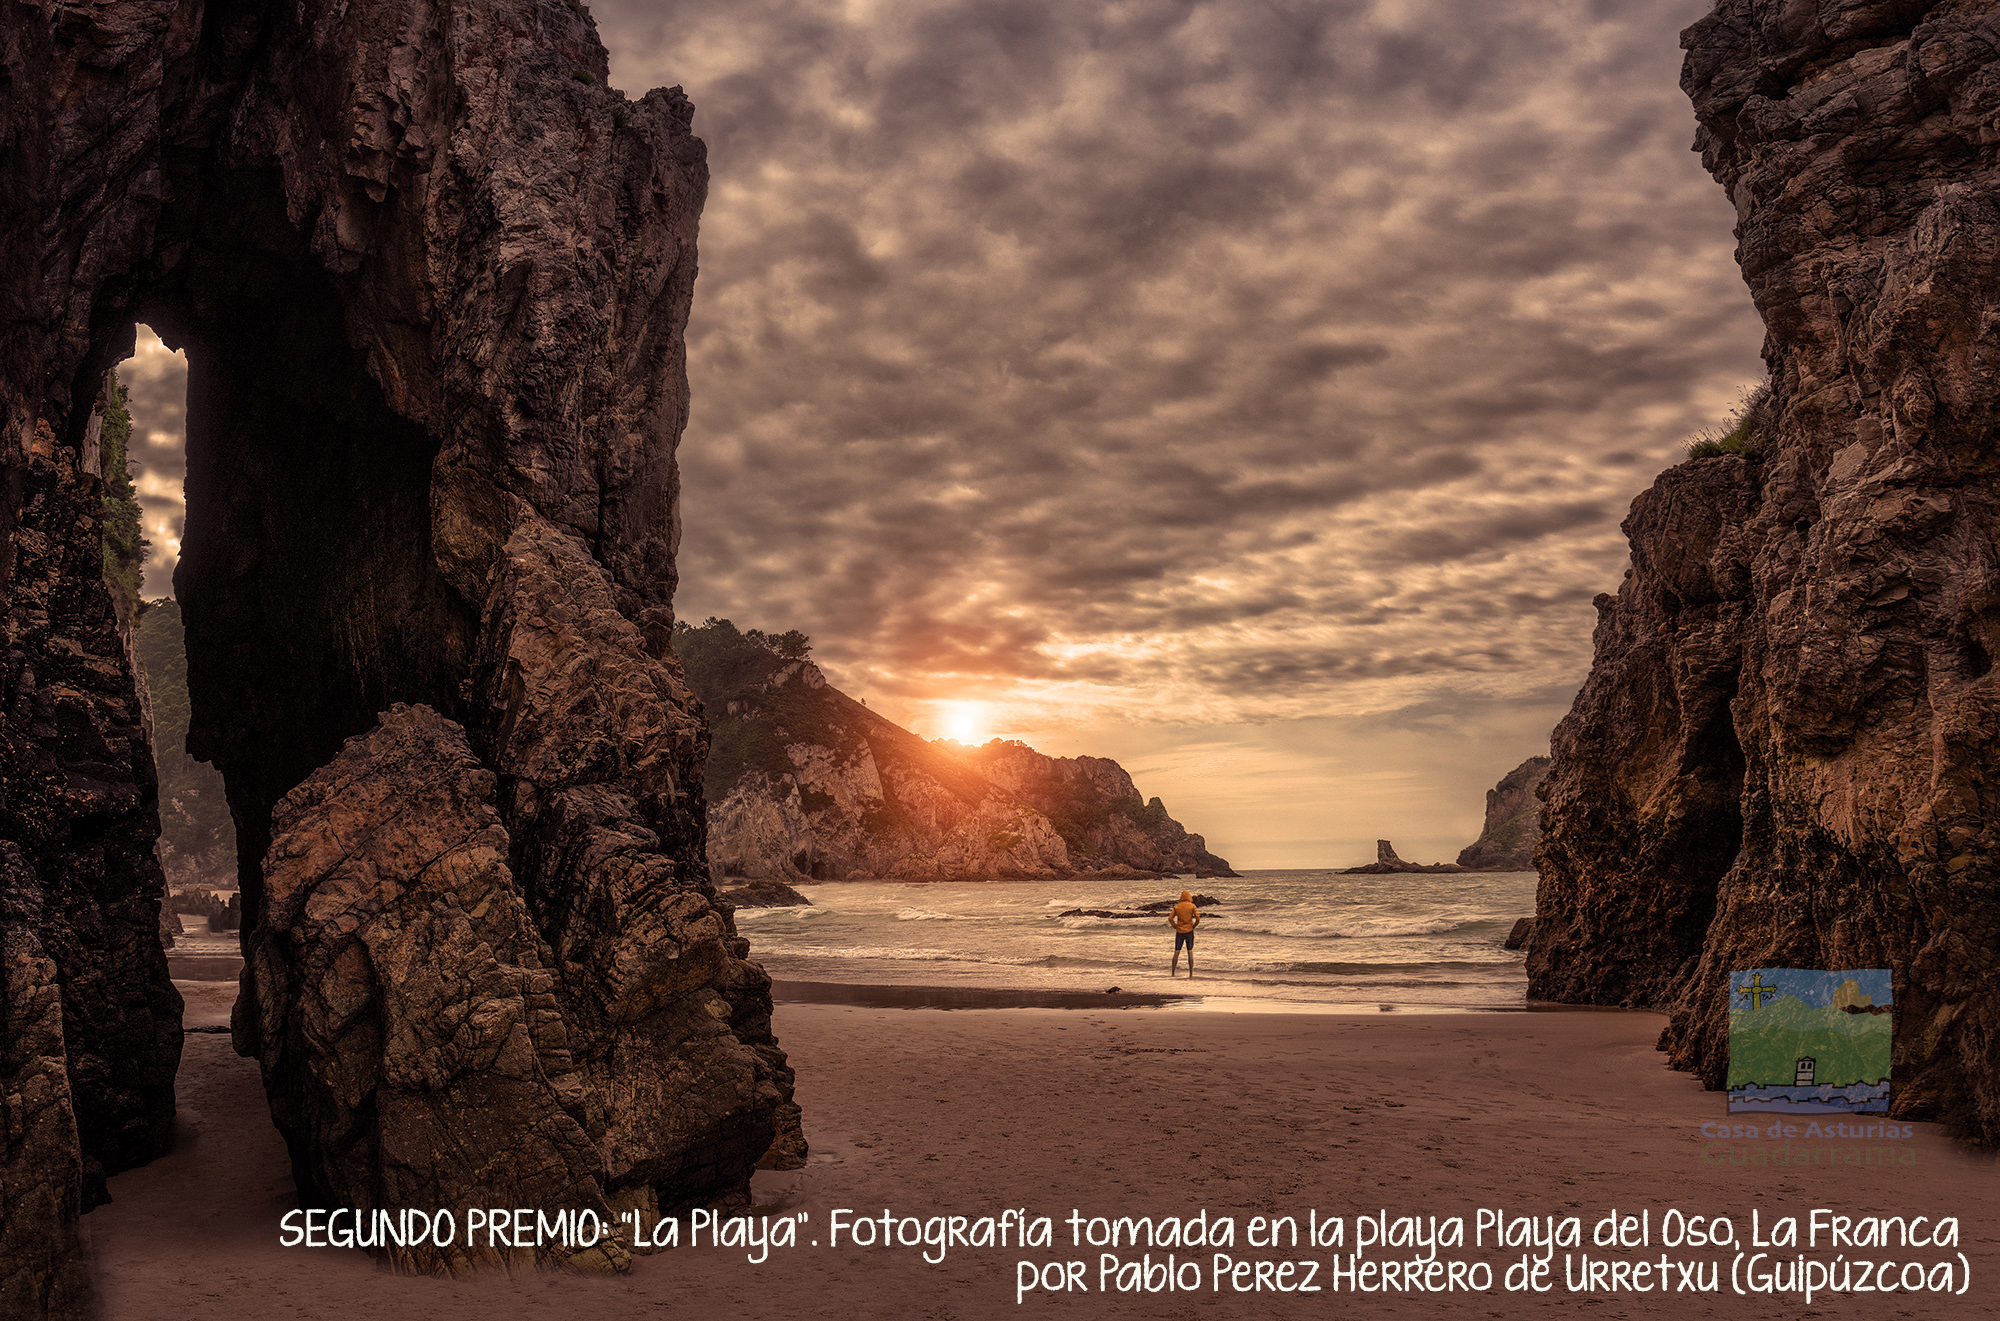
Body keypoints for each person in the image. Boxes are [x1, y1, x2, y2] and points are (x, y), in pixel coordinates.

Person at [1168, 889, 1201, 978]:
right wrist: (1194, 926)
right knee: (1190, 951)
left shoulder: (1177, 907)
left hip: (1179, 931)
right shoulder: (1192, 906)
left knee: (1176, 951)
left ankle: (1173, 973)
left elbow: (1170, 918)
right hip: (1189, 931)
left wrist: (1175, 926)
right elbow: (1198, 918)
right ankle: (1191, 974)